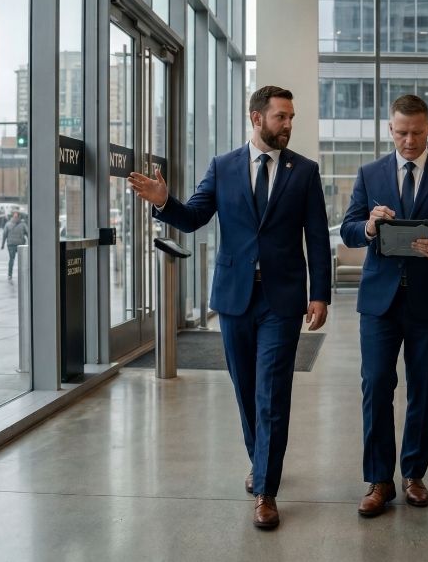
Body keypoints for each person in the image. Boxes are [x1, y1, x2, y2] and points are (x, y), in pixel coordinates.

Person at [127, 85, 331, 530]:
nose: (289, 125)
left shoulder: (305, 172)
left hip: (283, 298)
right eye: (281, 117)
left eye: (292, 117)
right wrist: (164, 202)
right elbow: (195, 216)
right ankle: (260, 461)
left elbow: (316, 235)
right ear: (256, 118)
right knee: (245, 390)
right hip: (236, 298)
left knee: (272, 393)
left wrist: (321, 293)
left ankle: (266, 491)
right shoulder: (223, 167)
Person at [340, 94, 428, 518]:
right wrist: (368, 225)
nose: (409, 141)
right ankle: (379, 480)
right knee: (376, 385)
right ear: (390, 129)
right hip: (379, 301)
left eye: (417, 132)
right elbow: (348, 230)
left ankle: (414, 474)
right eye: (401, 133)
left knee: (423, 389)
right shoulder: (370, 173)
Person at [0, 211, 28, 280]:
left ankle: (10, 274)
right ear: (19, 217)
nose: (15, 218)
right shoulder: (23, 224)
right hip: (20, 245)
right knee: (22, 260)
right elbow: (28, 233)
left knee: (11, 259)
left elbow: (4, 235)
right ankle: (23, 274)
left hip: (11, 244)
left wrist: (3, 244)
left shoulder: (8, 224)